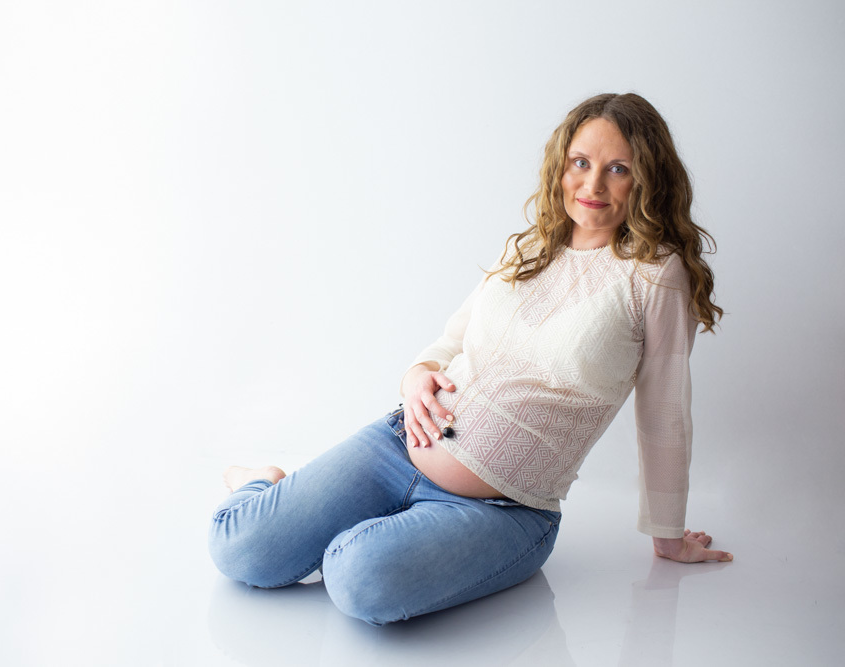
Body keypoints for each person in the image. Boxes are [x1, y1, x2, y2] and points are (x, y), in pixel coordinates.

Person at [208, 92, 733, 627]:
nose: (593, 185)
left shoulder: (653, 274)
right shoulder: (530, 248)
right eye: (581, 162)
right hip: (400, 445)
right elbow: (449, 343)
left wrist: (668, 537)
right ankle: (265, 482)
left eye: (617, 169)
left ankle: (360, 529)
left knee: (358, 579)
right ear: (561, 165)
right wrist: (415, 377)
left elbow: (665, 410)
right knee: (239, 550)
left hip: (500, 512)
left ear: (647, 178)